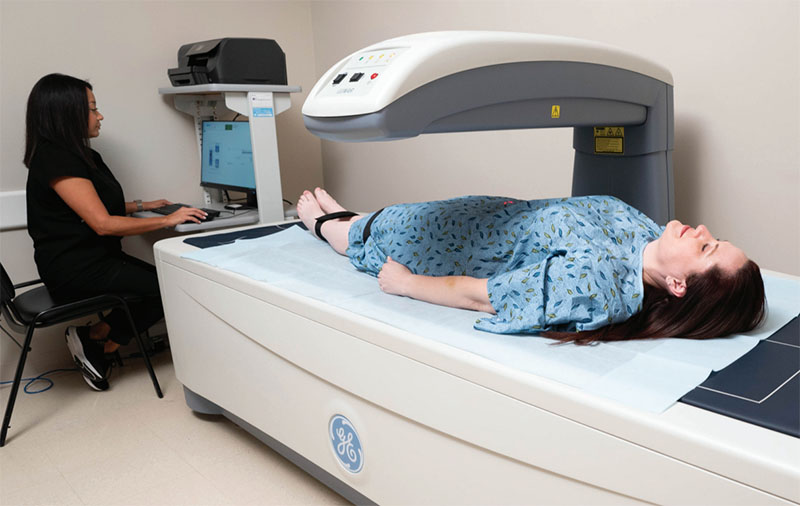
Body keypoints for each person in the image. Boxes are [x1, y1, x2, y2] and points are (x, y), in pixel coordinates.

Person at [296, 187, 766, 345]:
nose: (703, 231)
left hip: (426, 247)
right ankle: (350, 218)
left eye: (708, 249)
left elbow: (484, 295)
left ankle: (329, 227)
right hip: (469, 215)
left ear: (680, 285)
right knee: (371, 217)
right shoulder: (645, 234)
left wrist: (405, 283)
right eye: (715, 238)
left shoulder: (599, 284)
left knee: (352, 232)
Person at [24, 73, 209, 390]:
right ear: (67, 114)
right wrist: (167, 220)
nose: (100, 116)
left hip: (94, 259)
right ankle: (99, 342)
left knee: (164, 283)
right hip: (74, 269)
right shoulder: (55, 158)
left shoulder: (82, 155)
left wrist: (143, 205)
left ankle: (95, 340)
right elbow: (102, 222)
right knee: (166, 287)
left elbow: (94, 205)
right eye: (93, 109)